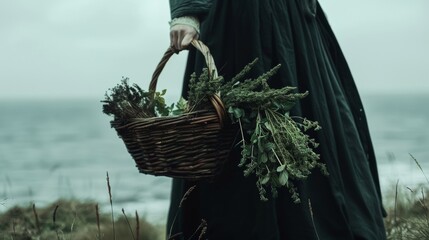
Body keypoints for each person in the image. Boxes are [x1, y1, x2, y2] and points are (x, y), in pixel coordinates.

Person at [167, 0, 387, 239]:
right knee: (229, 141)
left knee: (312, 133)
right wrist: (187, 12)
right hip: (235, 23)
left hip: (292, 26)